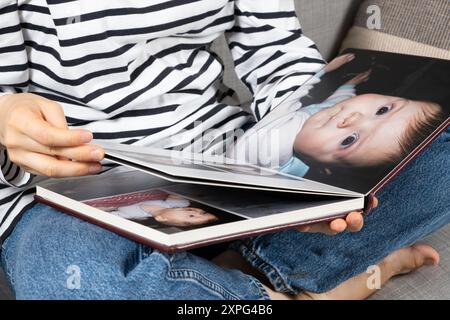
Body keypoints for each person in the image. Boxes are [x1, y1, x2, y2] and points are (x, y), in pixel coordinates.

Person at [0, 0, 447, 299]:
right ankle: (309, 288)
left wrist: (311, 188)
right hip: (56, 194)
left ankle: (256, 269)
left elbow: (276, 52)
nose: (354, 120)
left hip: (223, 161)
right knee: (70, 274)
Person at [230, 53, 445, 179]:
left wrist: (319, 73)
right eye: (382, 110)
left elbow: (233, 164)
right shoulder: (332, 116)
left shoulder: (274, 149)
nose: (352, 119)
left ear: (325, 168)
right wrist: (348, 83)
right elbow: (336, 100)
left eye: (350, 140)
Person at [89, 191, 219, 227]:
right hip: (131, 190)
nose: (195, 212)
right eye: (202, 212)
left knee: (101, 207)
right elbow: (177, 191)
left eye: (191, 217)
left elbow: (113, 214)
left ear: (162, 218)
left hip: (113, 201)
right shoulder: (176, 204)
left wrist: (105, 209)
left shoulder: (137, 216)